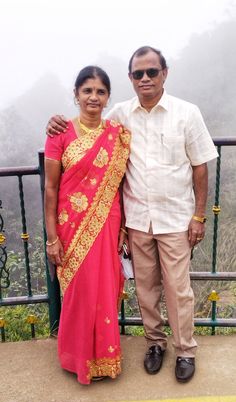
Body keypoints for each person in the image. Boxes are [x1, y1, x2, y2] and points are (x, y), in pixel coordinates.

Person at [46, 46, 218, 383]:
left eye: (151, 72)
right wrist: (55, 121)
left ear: (164, 73)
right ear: (130, 79)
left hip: (174, 218)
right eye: (138, 74)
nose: (145, 79)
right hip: (137, 220)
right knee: (146, 289)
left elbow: (201, 167)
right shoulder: (121, 117)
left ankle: (185, 350)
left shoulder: (187, 113)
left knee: (178, 289)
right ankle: (155, 343)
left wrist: (199, 216)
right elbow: (84, 127)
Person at [44, 65, 130, 385]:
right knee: (80, 290)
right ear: (76, 94)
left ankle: (104, 357)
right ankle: (77, 357)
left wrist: (123, 228)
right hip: (70, 223)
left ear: (108, 98)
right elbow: (51, 188)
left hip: (107, 221)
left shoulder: (117, 134)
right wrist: (52, 238)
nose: (93, 97)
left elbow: (119, 184)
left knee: (103, 288)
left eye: (101, 92)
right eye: (87, 91)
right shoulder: (60, 133)